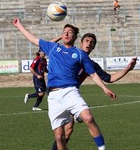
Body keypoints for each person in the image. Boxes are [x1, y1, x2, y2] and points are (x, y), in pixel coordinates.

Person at [13, 18, 116, 150]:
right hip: (54, 96)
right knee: (59, 137)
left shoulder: (80, 54)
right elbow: (33, 39)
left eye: (70, 32)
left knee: (88, 118)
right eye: (64, 31)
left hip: (71, 92)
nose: (66, 34)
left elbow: (93, 74)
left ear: (75, 36)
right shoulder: (53, 48)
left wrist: (104, 88)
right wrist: (19, 26)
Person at [51, 33, 137, 150]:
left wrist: (128, 68)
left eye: (92, 43)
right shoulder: (69, 53)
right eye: (86, 41)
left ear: (93, 47)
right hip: (58, 93)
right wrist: (61, 36)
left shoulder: (90, 64)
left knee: (68, 130)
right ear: (81, 43)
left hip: (71, 95)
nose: (89, 43)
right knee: (64, 132)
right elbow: (47, 47)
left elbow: (110, 78)